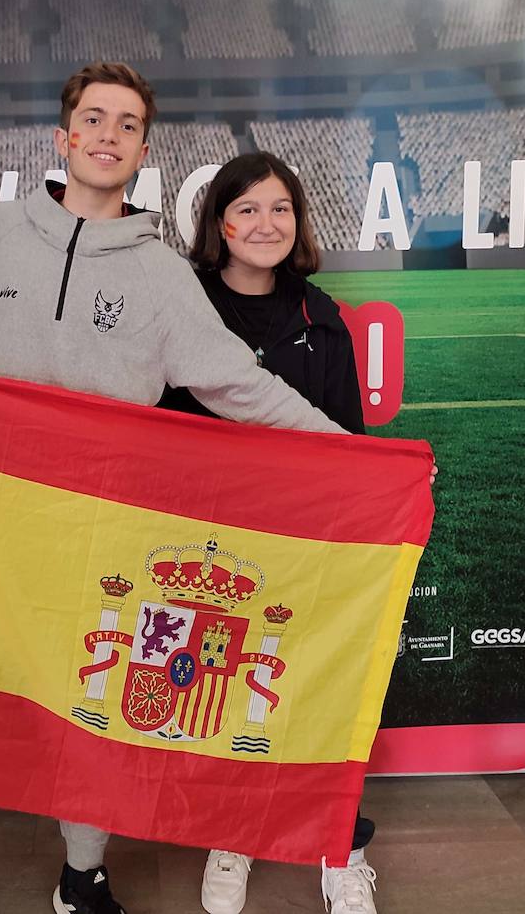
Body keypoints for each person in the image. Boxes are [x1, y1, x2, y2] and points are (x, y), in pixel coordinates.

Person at [0, 62, 347, 914]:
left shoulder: (162, 274)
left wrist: (350, 452)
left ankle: (82, 875)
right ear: (62, 138)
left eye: (126, 125)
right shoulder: (2, 233)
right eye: (93, 119)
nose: (106, 135)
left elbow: (239, 382)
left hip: (96, 532)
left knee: (90, 704)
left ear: (142, 151)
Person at [162, 152, 379, 914]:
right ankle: (233, 832)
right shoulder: (181, 308)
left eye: (280, 208)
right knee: (225, 691)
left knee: (321, 690)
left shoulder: (322, 318)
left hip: (304, 545)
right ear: (219, 222)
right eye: (247, 208)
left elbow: (352, 443)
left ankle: (340, 846)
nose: (265, 223)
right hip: (211, 552)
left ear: (299, 222)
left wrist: (394, 482)